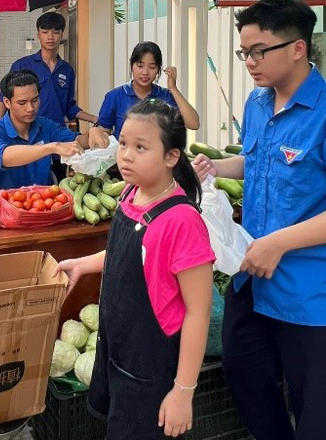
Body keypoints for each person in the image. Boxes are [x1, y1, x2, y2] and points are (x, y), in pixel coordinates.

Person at [193, 0, 326, 440]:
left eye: (259, 51)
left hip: (315, 295)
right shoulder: (259, 105)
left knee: (315, 413)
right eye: (244, 52)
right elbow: (259, 162)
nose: (249, 62)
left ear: (297, 48)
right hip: (256, 279)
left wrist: (279, 242)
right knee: (244, 375)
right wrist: (220, 168)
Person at [55, 98, 215, 439]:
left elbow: (198, 313)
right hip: (119, 352)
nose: (126, 154)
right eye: (123, 143)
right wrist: (83, 265)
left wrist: (183, 391)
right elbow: (127, 256)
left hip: (153, 367)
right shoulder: (131, 194)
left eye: (141, 147)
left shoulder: (182, 221)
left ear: (172, 156)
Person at [0, 11, 98, 180]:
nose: (50, 37)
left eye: (56, 32)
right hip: (25, 137)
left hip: (55, 135)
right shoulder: (22, 65)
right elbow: (2, 99)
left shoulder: (67, 70)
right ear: (38, 34)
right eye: (45, 32)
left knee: (55, 187)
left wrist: (94, 119)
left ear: (61, 35)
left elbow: (69, 107)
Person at [0, 69, 109, 193]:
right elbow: (1, 157)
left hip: (43, 207)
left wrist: (92, 133)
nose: (30, 108)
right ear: (7, 102)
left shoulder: (45, 125)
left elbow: (76, 140)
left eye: (35, 100)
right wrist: (51, 147)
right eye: (22, 103)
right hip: (5, 211)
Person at [97, 41, 200, 139]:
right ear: (131, 66)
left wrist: (173, 88)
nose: (145, 72)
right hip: (126, 155)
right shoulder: (115, 96)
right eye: (140, 66)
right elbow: (103, 132)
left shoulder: (165, 96)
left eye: (152, 67)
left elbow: (193, 124)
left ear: (158, 70)